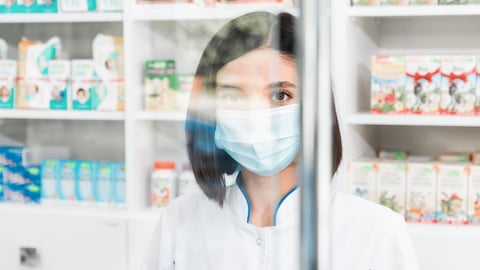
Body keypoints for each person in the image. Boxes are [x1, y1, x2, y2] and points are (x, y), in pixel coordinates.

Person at [142, 11, 419, 270]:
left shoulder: (376, 230)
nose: (255, 116)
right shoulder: (179, 221)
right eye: (232, 96)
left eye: (280, 95)